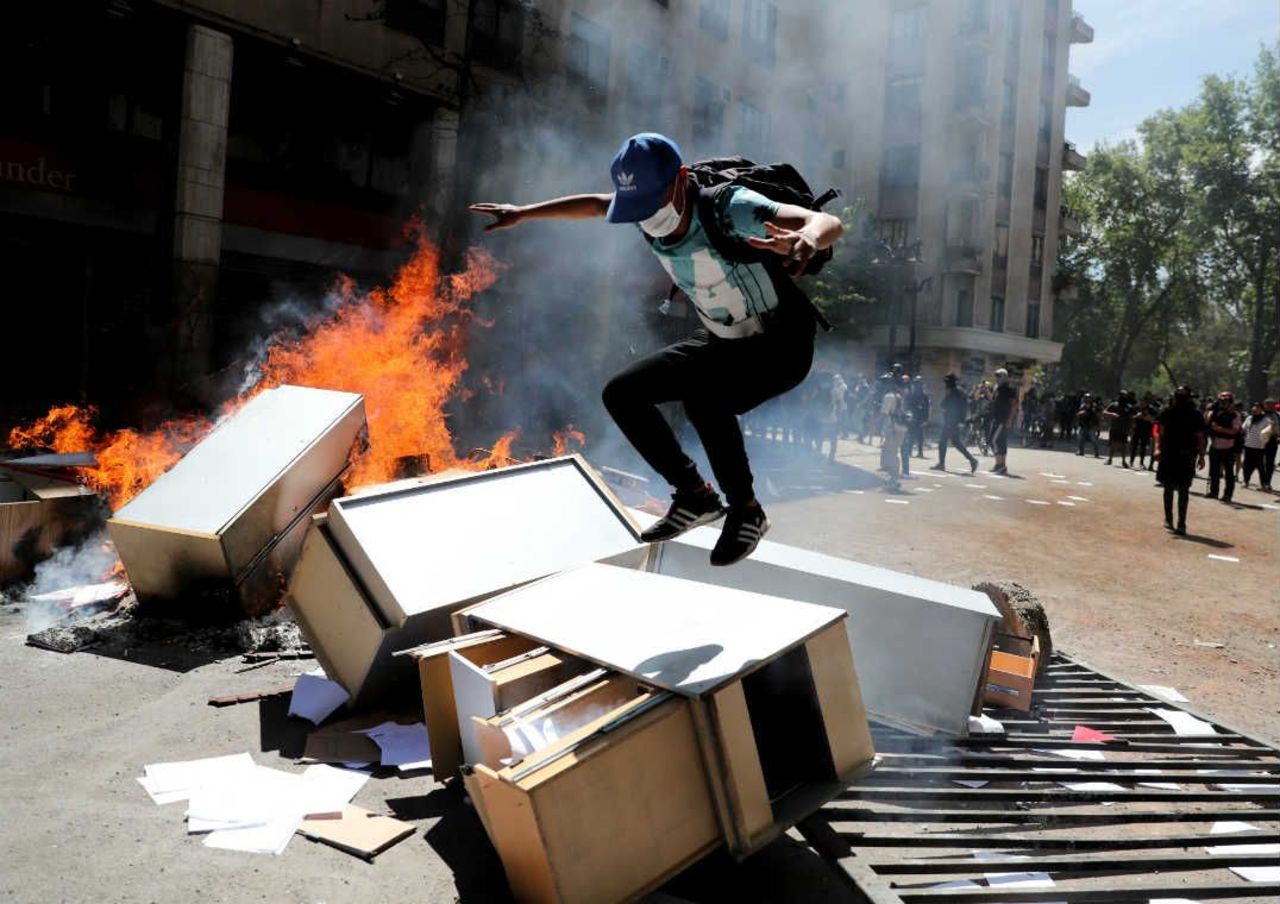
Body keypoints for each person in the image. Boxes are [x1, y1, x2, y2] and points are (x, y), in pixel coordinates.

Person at [470, 132, 843, 565]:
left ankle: (747, 511)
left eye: (651, 204)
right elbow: (594, 203)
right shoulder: (641, 201)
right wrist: (523, 214)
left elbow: (825, 223)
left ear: (680, 179)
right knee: (622, 393)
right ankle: (694, 496)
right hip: (724, 339)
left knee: (706, 401)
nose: (645, 218)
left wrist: (810, 238)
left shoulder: (727, 206)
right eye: (636, 207)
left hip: (780, 343)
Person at [1155, 386, 1206, 535]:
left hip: (1187, 454)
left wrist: (1202, 456)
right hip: (1168, 452)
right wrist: (1157, 448)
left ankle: (1182, 523)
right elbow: (1159, 431)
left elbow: (1200, 436)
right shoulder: (1167, 412)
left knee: (1184, 489)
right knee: (1168, 487)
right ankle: (1169, 518)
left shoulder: (1196, 415)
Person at [932, 373, 979, 474]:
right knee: (956, 443)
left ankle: (941, 464)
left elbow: (956, 406)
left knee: (943, 441)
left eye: (947, 381)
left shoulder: (955, 392)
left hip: (952, 420)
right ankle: (972, 460)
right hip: (952, 420)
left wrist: (961, 421)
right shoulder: (955, 391)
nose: (945, 383)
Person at [1205, 391, 1242, 503]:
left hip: (1229, 447)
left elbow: (1234, 431)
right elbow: (1206, 422)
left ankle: (1227, 495)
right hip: (1215, 445)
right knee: (1214, 471)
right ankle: (1213, 492)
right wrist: (1210, 410)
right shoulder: (1215, 413)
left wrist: (1219, 429)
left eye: (1226, 402)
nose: (1223, 404)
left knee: (1229, 473)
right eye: (1221, 401)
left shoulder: (1235, 415)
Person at [988, 368, 1018, 475]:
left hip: (1003, 418)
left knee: (994, 440)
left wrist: (1010, 419)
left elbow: (1014, 405)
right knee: (999, 441)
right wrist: (987, 391)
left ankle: (1000, 465)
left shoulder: (1009, 389)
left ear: (1004, 377)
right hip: (996, 417)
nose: (997, 379)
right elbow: (993, 399)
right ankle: (1000, 465)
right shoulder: (997, 388)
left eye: (999, 376)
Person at [1241, 401, 1272, 489]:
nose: (1254, 409)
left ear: (1262, 410)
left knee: (1260, 466)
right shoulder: (1249, 418)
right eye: (1254, 407)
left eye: (1257, 408)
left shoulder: (1266, 420)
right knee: (1247, 465)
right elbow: (1243, 429)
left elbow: (1269, 433)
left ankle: (1264, 484)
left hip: (1259, 447)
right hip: (1248, 445)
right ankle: (1245, 481)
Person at [1102, 390, 1136, 467]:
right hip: (1115, 428)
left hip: (1124, 429)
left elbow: (1133, 416)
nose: (1123, 397)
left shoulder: (1129, 407)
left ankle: (1124, 461)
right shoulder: (1114, 405)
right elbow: (1104, 412)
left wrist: (1132, 427)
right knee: (1112, 444)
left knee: (1124, 445)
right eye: (1122, 395)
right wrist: (1111, 414)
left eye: (1125, 396)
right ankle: (1110, 459)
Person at [907, 376, 930, 458]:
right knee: (911, 435)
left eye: (919, 384)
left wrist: (926, 420)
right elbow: (908, 406)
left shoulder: (924, 396)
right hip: (913, 417)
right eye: (916, 384)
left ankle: (920, 452)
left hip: (921, 419)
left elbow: (927, 408)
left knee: (920, 436)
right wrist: (909, 416)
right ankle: (909, 451)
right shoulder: (911, 395)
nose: (917, 386)